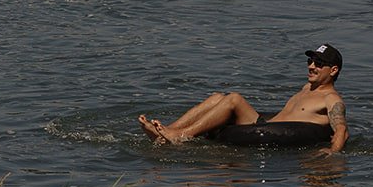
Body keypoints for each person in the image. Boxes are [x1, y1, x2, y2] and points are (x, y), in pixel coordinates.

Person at [139, 43, 349, 151]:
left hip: (272, 133)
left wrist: (332, 152)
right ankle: (168, 130)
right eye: (311, 61)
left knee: (234, 99)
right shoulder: (307, 88)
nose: (312, 66)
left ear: (333, 70)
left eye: (319, 63)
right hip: (264, 124)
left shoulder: (331, 99)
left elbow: (341, 129)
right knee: (216, 97)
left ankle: (181, 136)